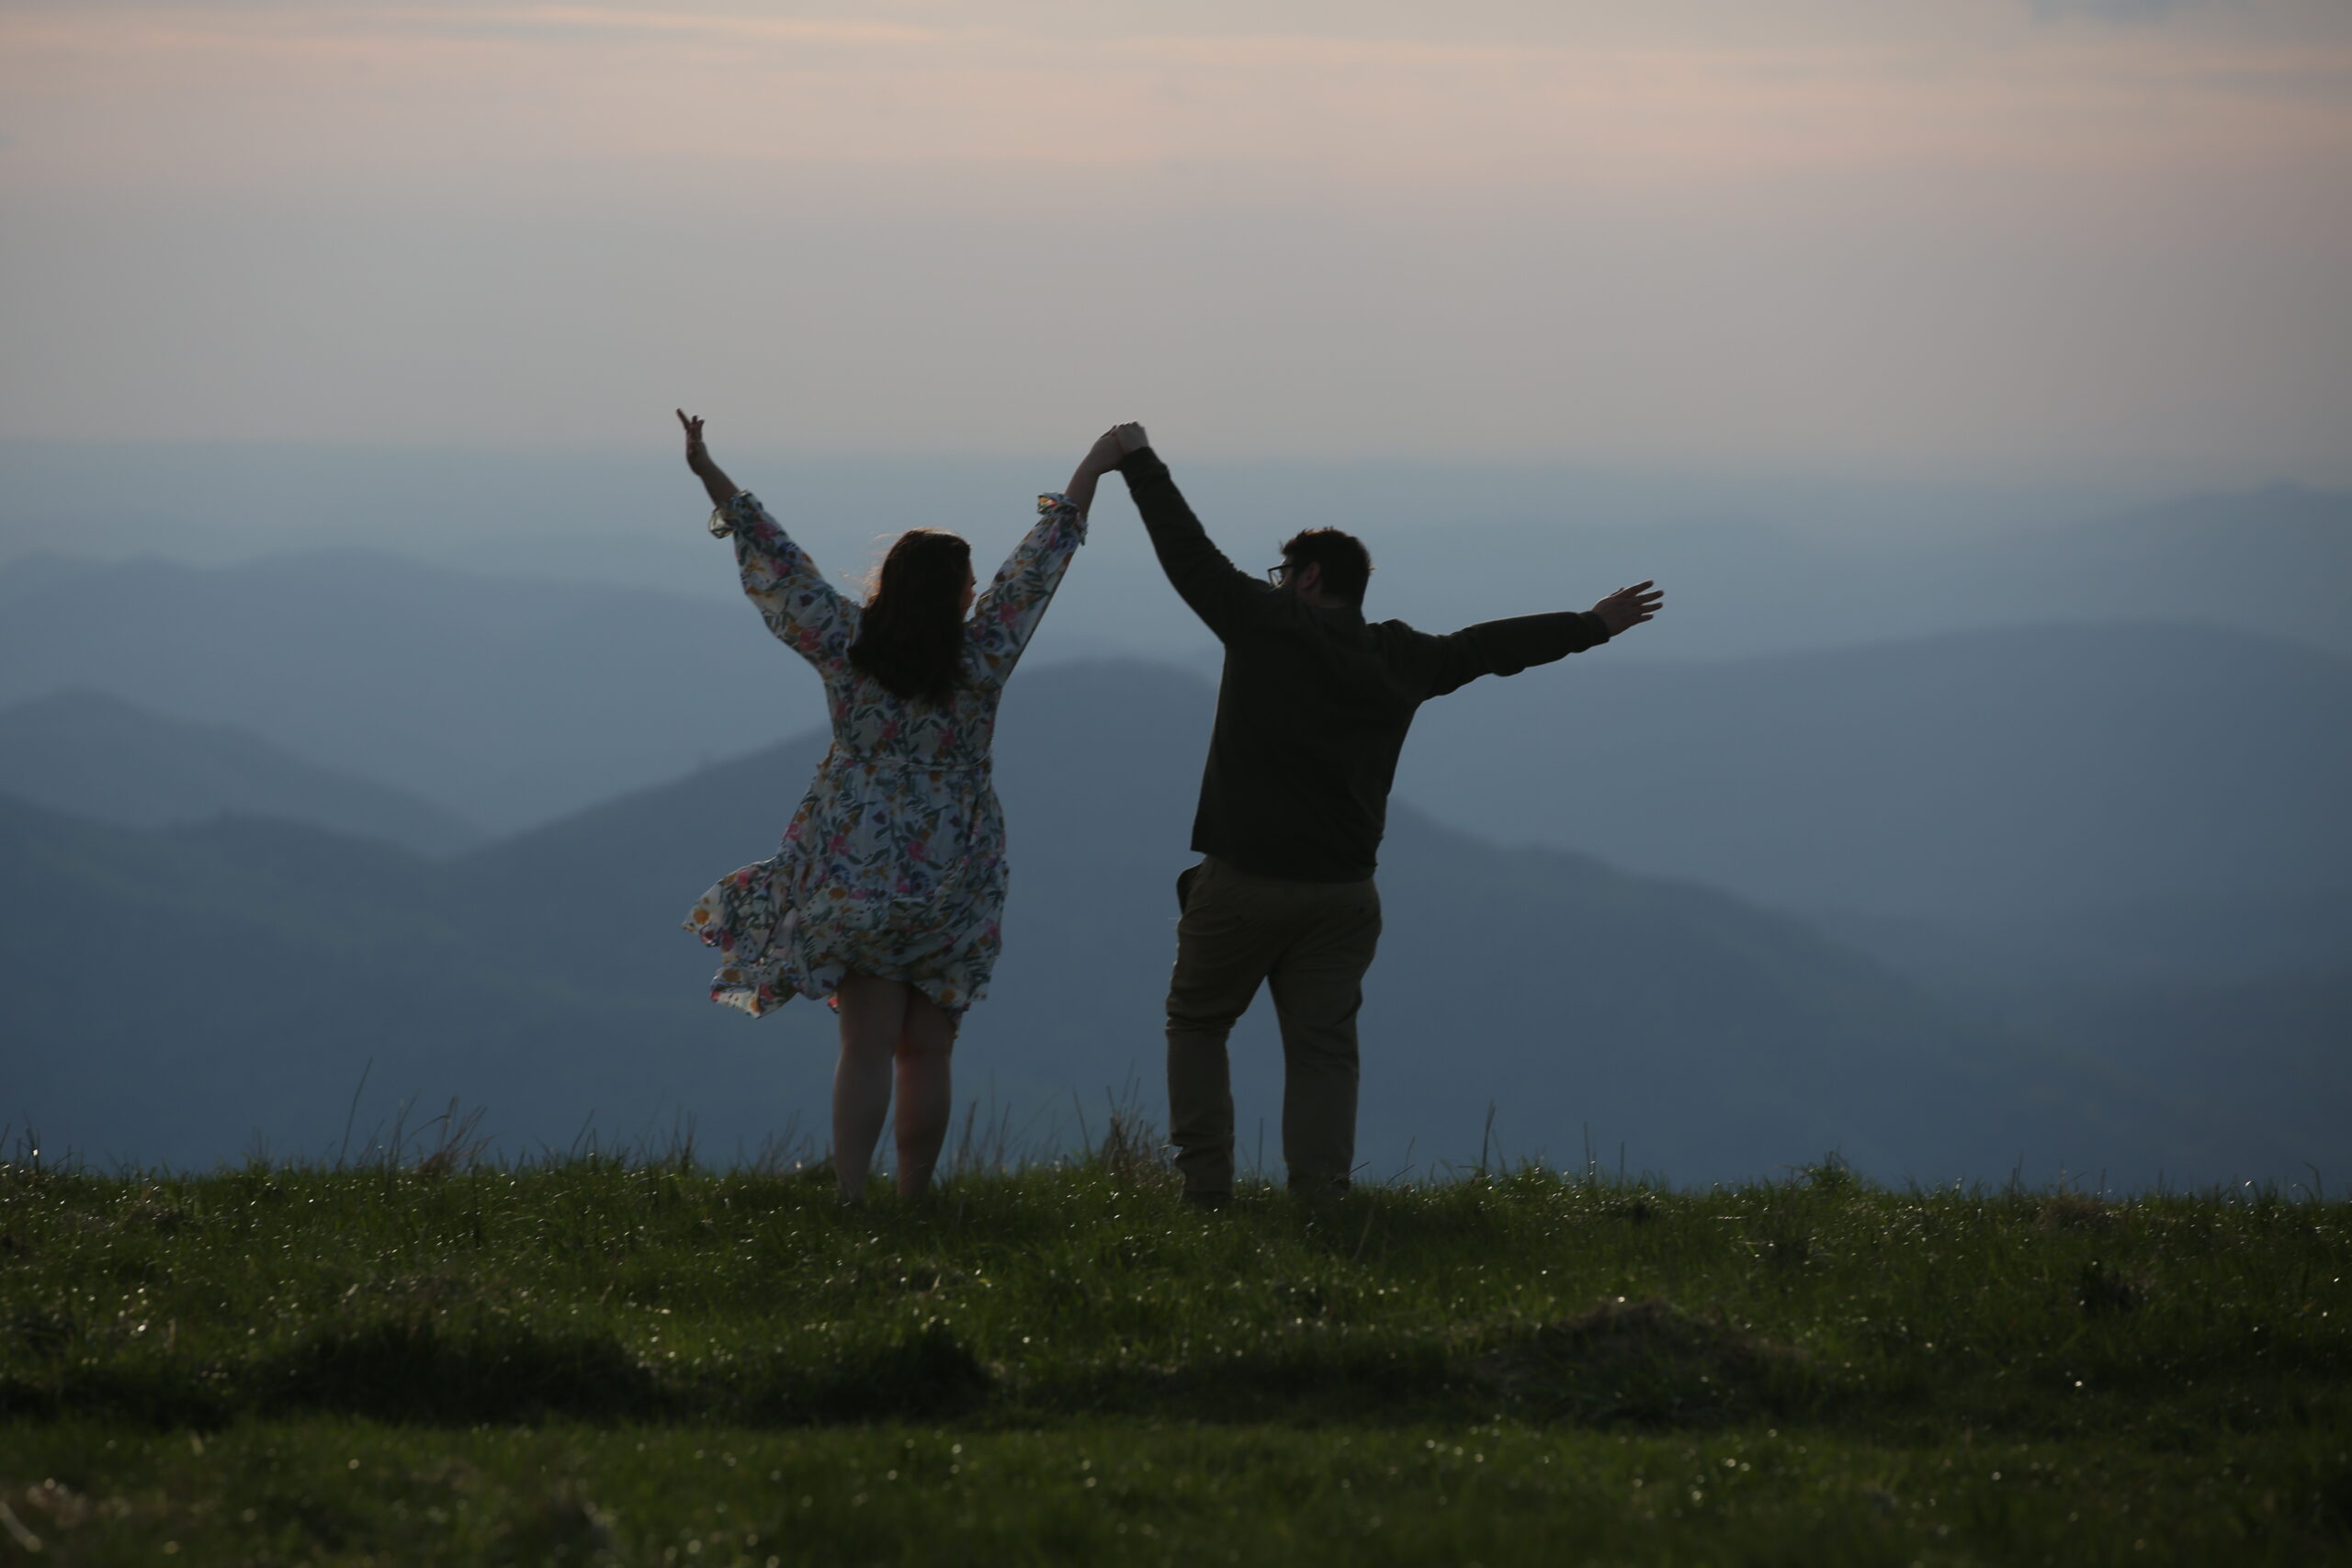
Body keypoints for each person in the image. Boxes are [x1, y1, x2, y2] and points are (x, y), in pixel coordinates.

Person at [1107, 423, 1664, 1206]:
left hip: (1242, 883)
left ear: (1304, 578)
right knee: (1324, 1052)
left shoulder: (1261, 626)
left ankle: (1204, 1193)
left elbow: (1186, 551)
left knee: (1197, 1023)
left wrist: (1135, 460)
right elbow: (1487, 647)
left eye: (1281, 571)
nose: (1272, 583)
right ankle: (1322, 1201)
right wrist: (1591, 624)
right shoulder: (1403, 658)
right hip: (1343, 895)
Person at [677, 411, 1130, 1203]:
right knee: (928, 1050)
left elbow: (781, 564)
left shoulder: (847, 647)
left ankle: (853, 1194)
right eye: (970, 582)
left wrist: (709, 472)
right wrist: (1095, 462)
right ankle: (915, 1196)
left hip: (854, 864)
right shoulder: (982, 655)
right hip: (954, 868)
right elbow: (1038, 568)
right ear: (959, 594)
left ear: (890, 582)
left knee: (865, 1044)